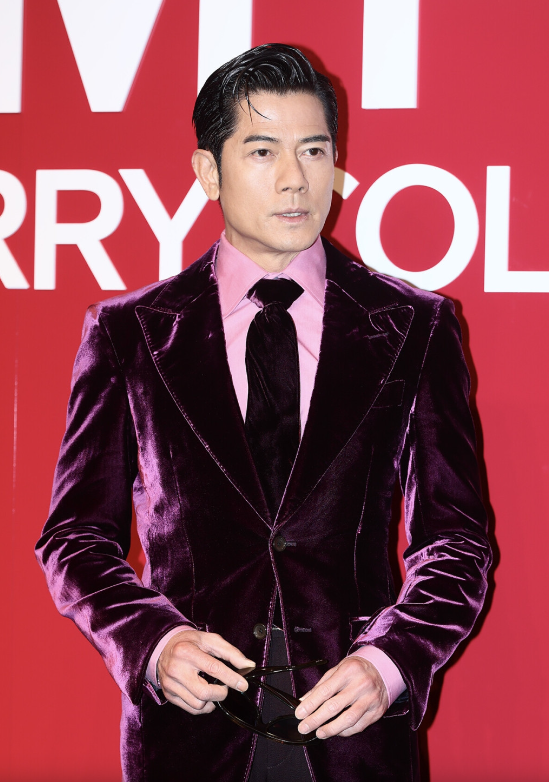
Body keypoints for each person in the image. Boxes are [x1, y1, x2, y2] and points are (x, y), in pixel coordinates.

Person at [36, 44, 491, 782]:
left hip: (356, 734)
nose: (294, 179)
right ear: (208, 171)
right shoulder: (129, 332)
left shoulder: (415, 325)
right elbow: (75, 539)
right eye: (261, 151)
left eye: (314, 150)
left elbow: (457, 543)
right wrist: (153, 644)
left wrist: (391, 661)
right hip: (189, 737)